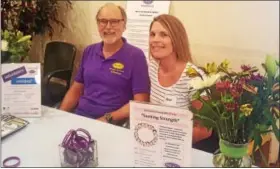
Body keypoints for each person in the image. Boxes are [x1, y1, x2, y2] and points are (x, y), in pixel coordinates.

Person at [59, 3, 150, 125]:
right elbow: (76, 89)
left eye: (114, 21)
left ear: (124, 25)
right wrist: (60, 114)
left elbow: (140, 102)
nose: (108, 27)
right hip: (80, 117)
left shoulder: (136, 56)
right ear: (98, 24)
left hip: (111, 123)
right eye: (103, 21)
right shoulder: (89, 51)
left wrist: (107, 118)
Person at [148, 14, 213, 145]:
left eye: (163, 35)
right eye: (152, 34)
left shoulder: (193, 77)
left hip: (181, 147)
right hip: (154, 142)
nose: (155, 39)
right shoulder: (152, 66)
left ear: (176, 39)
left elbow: (205, 129)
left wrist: (170, 140)